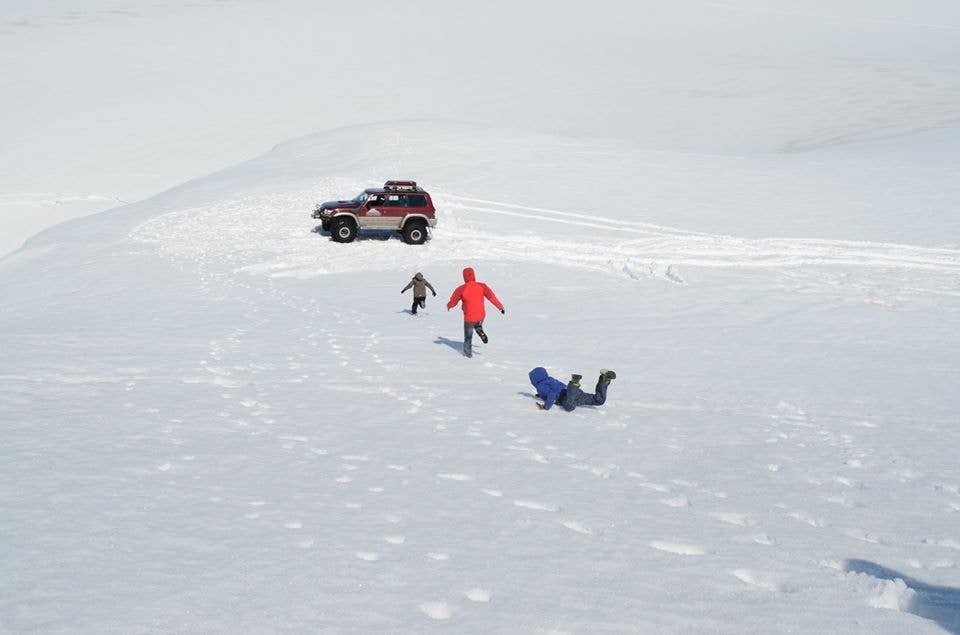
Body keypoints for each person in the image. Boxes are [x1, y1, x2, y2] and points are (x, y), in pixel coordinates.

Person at [447, 267, 504, 358]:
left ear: (464, 277)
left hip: (469, 318)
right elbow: (492, 297)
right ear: (474, 275)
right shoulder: (482, 286)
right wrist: (500, 307)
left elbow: (453, 301)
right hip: (481, 315)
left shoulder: (461, 289)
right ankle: (479, 330)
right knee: (477, 323)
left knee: (468, 338)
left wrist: (449, 305)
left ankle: (467, 356)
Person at [528, 367, 616, 411]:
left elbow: (552, 394)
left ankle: (574, 383)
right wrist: (540, 395)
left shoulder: (540, 386)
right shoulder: (550, 380)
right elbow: (549, 391)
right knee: (599, 400)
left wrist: (546, 407)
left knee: (569, 407)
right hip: (576, 393)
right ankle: (604, 379)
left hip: (567, 397)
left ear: (534, 380)